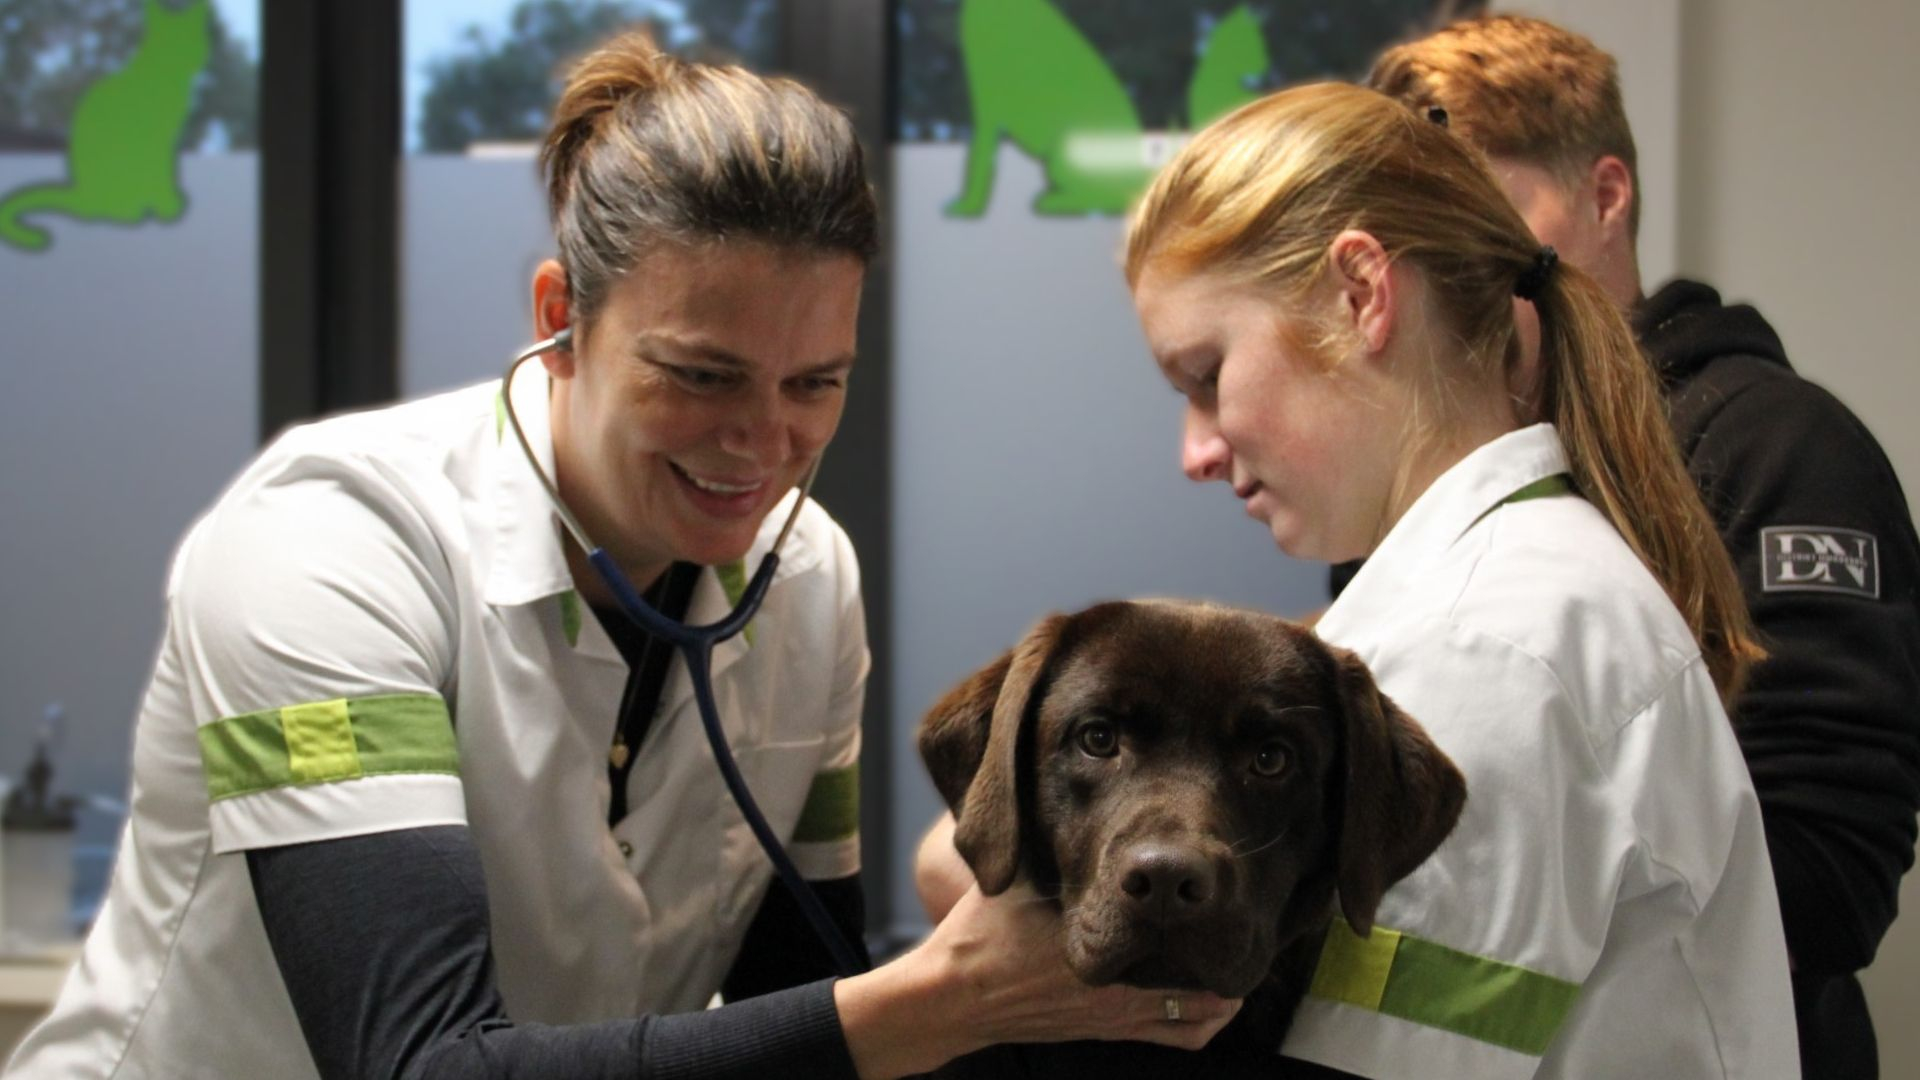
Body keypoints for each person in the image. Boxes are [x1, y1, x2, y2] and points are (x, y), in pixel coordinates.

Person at [1, 32, 1239, 1080]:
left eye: (818, 384)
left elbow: (793, 984)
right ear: (562, 321)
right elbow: (419, 1061)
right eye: (701, 375)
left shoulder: (805, 583)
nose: (764, 444)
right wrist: (944, 1001)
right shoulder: (330, 545)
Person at [1125, 79, 1802, 1078]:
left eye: (1206, 376)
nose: (1195, 449)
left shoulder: (1482, 649)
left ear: (1362, 294)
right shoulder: (1503, 599)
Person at [1364, 16, 1920, 1077]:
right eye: (1424, 238)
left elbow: (1829, 873)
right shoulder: (1437, 474)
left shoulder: (1784, 451)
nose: (1458, 270)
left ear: (1604, 197)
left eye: (1486, 215)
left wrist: (1500, 917)